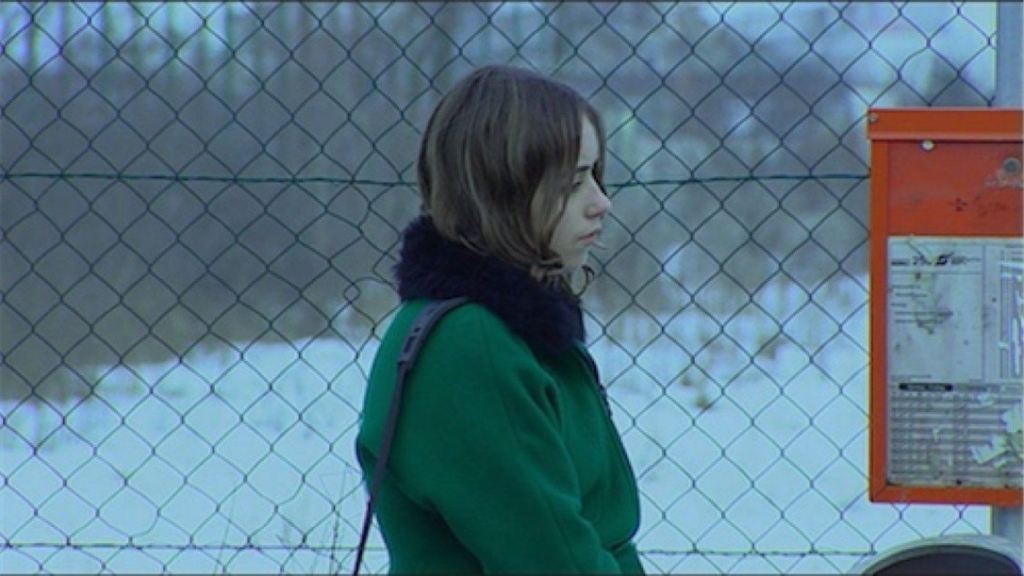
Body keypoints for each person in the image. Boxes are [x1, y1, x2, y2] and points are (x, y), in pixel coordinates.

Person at [355, 64, 643, 574]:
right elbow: (557, 564)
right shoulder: (468, 346)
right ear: (502, 188)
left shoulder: (523, 332)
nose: (602, 203)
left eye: (596, 176)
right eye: (575, 183)